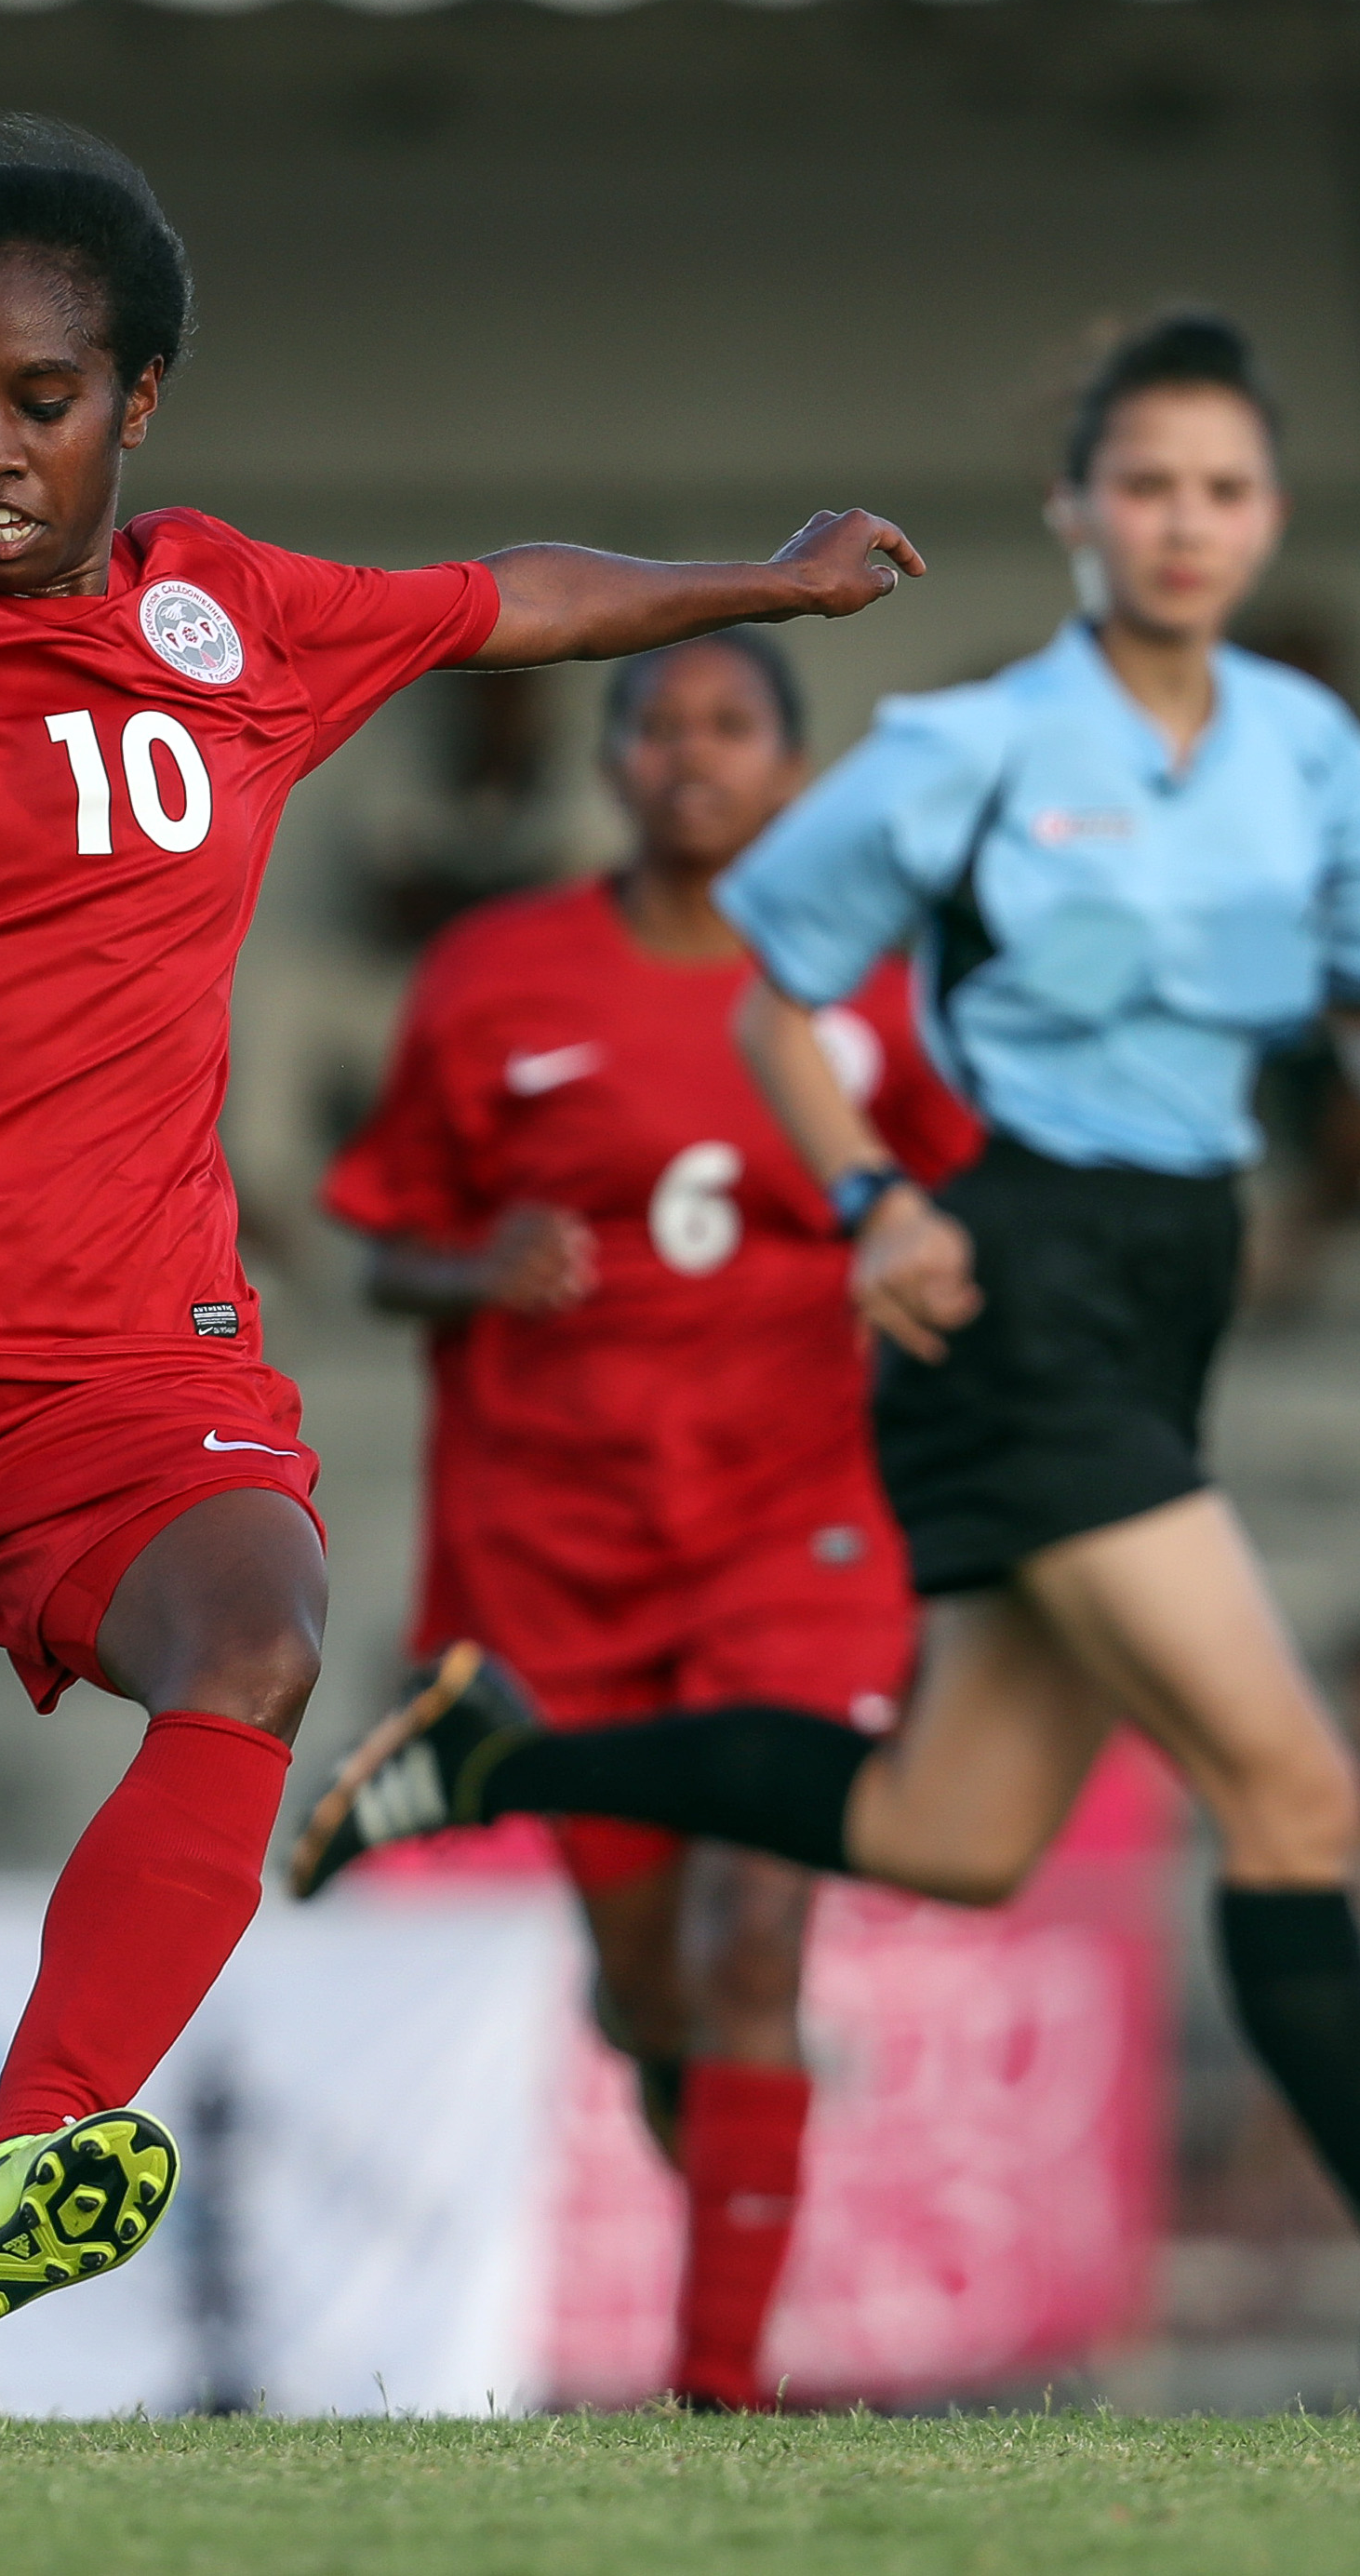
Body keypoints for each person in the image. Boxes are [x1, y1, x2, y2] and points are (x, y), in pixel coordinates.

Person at [0, 112, 923, 2341]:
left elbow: (498, 603)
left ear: (133, 400)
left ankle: (32, 2138)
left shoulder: (225, 614)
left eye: (37, 403)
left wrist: (763, 578)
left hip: (109, 1357)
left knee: (254, 1628)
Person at [292, 313, 1360, 2415]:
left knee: (947, 1830)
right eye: (1142, 486)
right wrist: (874, 1202)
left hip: (1154, 1302)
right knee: (1290, 1776)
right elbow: (771, 1002)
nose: (1182, 523)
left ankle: (498, 1760)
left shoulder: (1305, 751)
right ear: (1076, 513)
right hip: (1007, 1309)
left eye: (1219, 489)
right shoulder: (967, 749)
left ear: (1263, 514)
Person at [316, 627, 979, 2410]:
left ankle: (722, 2404)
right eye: (657, 723)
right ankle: (730, 2244)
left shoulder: (875, 994)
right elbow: (377, 1243)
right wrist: (474, 1261)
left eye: (730, 725)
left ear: (789, 766)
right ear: (606, 764)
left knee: (755, 1936)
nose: (690, 753)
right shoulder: (495, 973)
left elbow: (961, 1206)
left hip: (798, 1531)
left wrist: (916, 1263)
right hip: (556, 1550)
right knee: (653, 1989)